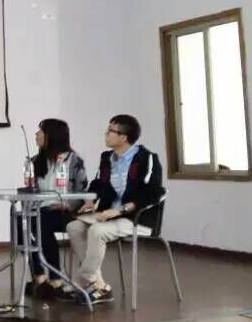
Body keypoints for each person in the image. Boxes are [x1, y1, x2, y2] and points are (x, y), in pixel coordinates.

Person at [63, 114, 163, 305]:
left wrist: (120, 210)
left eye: (111, 131)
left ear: (123, 137)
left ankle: (83, 279)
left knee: (97, 231)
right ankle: (99, 285)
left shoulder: (148, 158)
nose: (106, 134)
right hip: (109, 215)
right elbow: (98, 183)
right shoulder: (107, 158)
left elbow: (153, 193)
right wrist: (90, 200)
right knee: (73, 227)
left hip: (137, 218)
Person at [19, 119, 87, 300]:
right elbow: (30, 190)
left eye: (40, 131)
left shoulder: (74, 161)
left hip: (65, 211)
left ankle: (56, 279)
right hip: (40, 210)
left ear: (52, 135)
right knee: (20, 222)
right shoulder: (36, 161)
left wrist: (68, 204)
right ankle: (39, 277)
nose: (36, 134)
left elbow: (82, 192)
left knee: (40, 222)